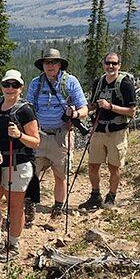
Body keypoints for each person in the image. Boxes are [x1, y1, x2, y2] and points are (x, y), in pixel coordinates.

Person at [0, 69, 40, 261]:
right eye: (7, 84)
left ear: (21, 88)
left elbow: (35, 141)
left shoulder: (25, 110)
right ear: (1, 86)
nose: (10, 88)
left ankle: (13, 244)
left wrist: (19, 135)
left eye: (14, 85)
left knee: (15, 207)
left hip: (18, 163)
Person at [26, 48, 88, 220]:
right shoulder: (35, 83)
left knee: (60, 175)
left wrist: (75, 114)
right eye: (47, 62)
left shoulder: (71, 82)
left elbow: (84, 108)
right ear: (43, 65)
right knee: (31, 174)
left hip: (62, 135)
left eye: (54, 62)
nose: (50, 65)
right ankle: (30, 206)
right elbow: (28, 109)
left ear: (60, 64)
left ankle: (58, 207)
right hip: (38, 135)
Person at [79, 52, 137, 209]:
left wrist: (110, 107)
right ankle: (95, 195)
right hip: (99, 129)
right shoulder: (99, 82)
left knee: (114, 166)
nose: (111, 66)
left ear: (119, 65)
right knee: (93, 164)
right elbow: (93, 105)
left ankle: (111, 196)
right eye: (108, 63)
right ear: (103, 64)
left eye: (114, 63)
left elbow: (132, 111)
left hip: (117, 131)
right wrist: (81, 110)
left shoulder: (125, 84)